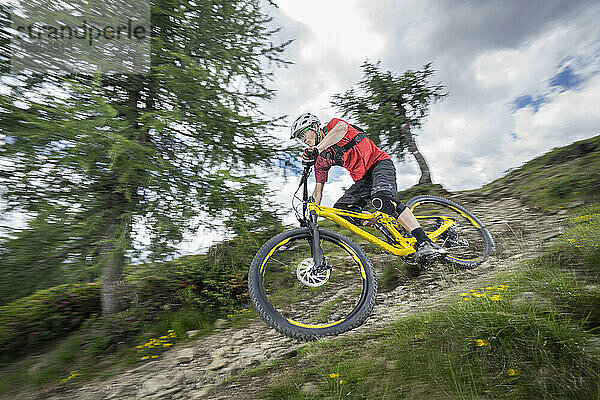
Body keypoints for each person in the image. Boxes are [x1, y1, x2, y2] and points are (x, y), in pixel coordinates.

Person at [290, 112, 446, 262]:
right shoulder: (320, 160)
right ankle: (385, 224)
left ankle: (426, 242)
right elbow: (318, 191)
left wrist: (317, 150)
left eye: (303, 133)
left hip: (380, 164)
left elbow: (341, 129)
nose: (302, 139)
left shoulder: (332, 127)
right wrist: (312, 217)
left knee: (382, 199)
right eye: (299, 137)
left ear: (316, 126)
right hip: (363, 180)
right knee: (343, 211)